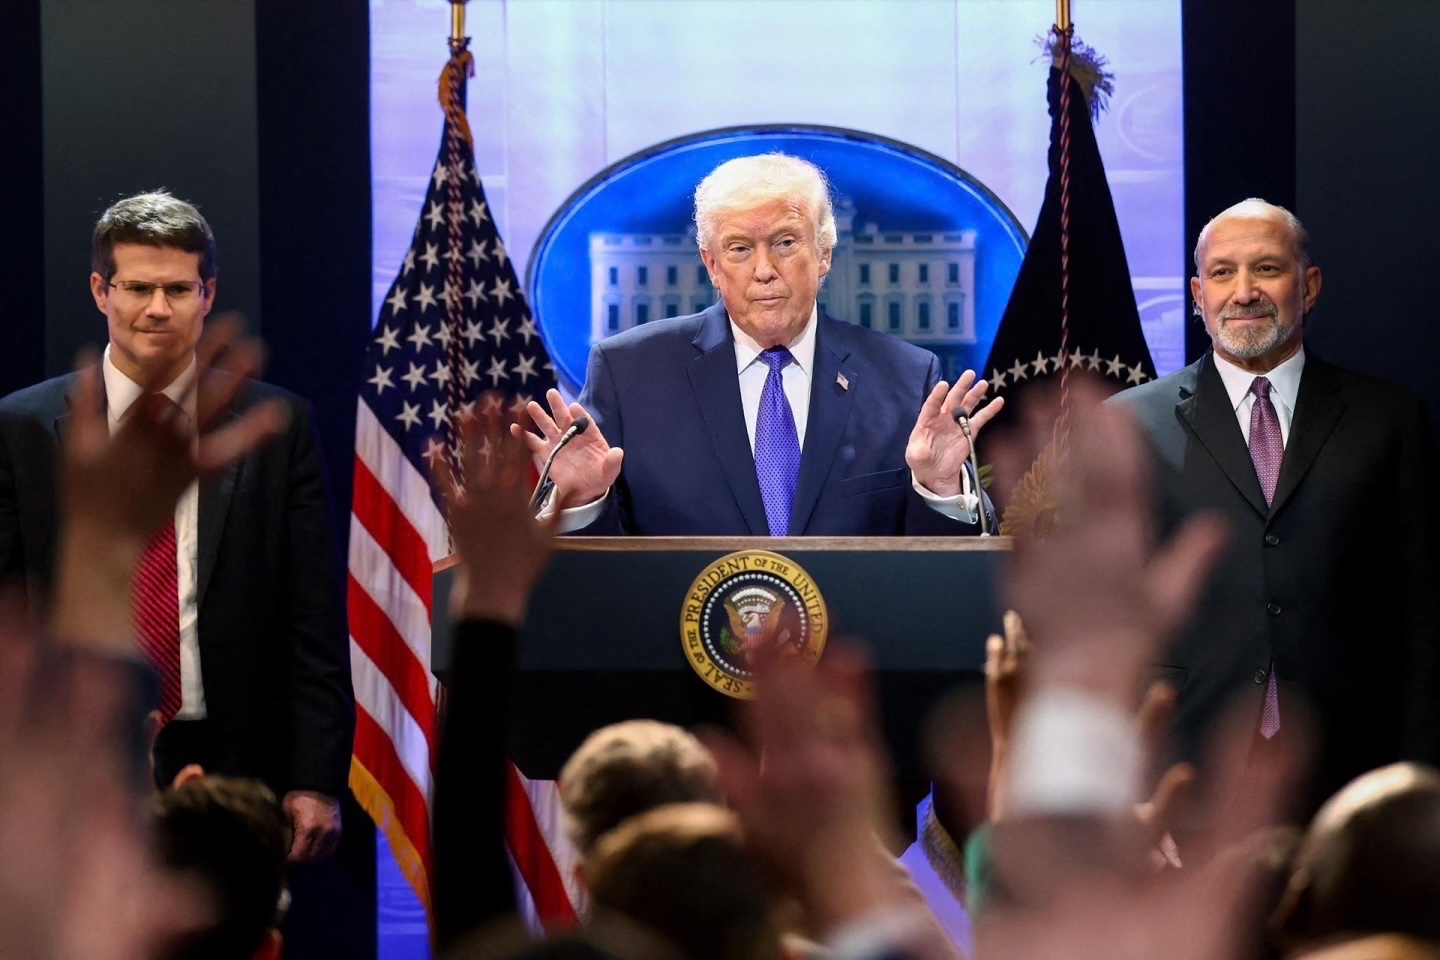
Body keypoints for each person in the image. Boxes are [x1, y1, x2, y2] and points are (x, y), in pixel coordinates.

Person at [0, 192, 354, 861]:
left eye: (178, 289)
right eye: (138, 288)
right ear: (101, 291)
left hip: (239, 764)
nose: (157, 308)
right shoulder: (23, 427)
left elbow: (313, 620)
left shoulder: (277, 429)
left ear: (207, 293)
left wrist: (316, 776)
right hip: (73, 755)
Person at [1109, 198, 1440, 811]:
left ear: (1307, 286)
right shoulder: (1128, 427)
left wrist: (1418, 789)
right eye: (1222, 273)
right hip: (1181, 770)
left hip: (1353, 773)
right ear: (1197, 294)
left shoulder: (1389, 421)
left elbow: (1422, 616)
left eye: (1266, 269)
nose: (1244, 293)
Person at [515, 152, 1002, 536]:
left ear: (824, 254)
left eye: (786, 243)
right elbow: (591, 589)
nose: (764, 270)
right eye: (740, 249)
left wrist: (941, 490)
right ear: (711, 264)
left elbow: (945, 582)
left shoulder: (906, 378)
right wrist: (583, 503)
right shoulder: (630, 373)